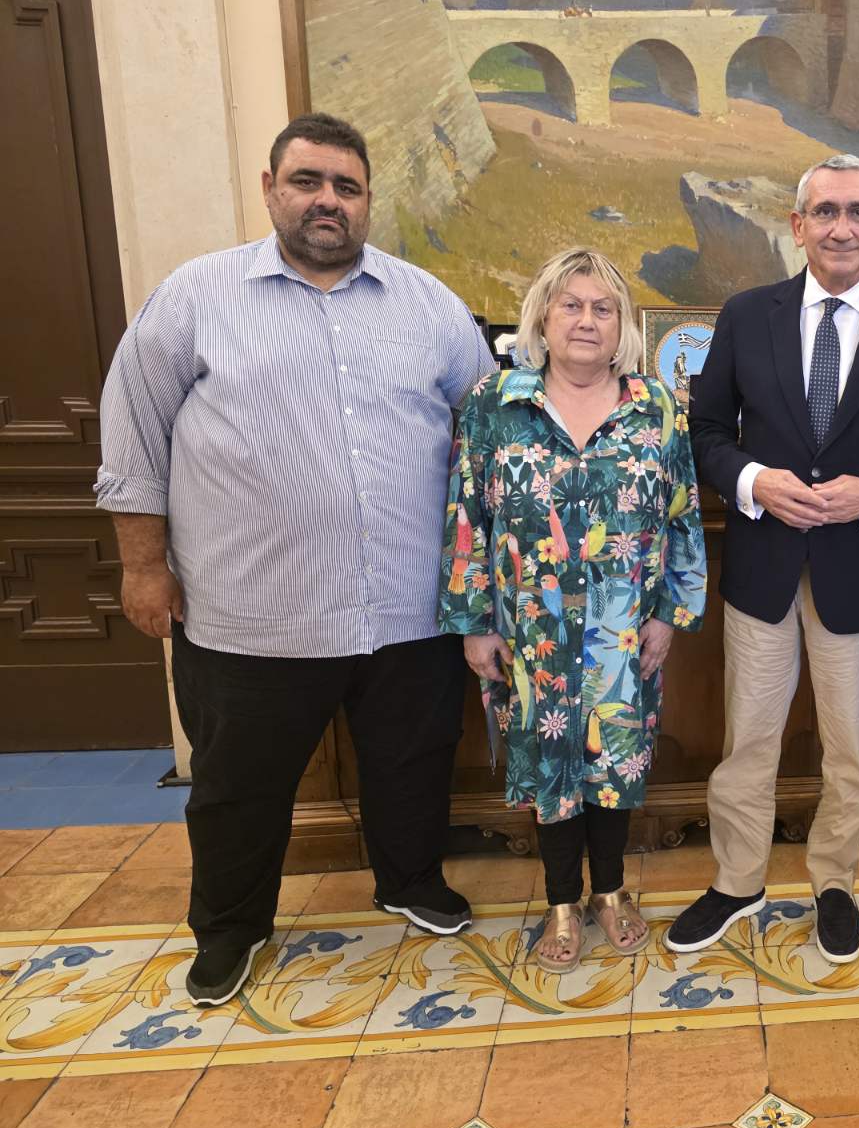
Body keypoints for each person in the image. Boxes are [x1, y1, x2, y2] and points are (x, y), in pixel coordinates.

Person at [95, 113, 496, 1007]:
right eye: (308, 181)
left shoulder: (427, 304)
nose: (327, 201)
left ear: (367, 200)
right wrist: (142, 567)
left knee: (414, 761)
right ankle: (230, 929)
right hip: (251, 616)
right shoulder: (196, 297)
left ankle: (410, 881)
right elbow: (132, 437)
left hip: (407, 608)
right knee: (237, 788)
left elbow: (485, 431)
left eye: (346, 187)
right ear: (271, 188)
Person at [666, 154, 859, 961]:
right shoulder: (745, 316)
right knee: (747, 743)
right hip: (762, 568)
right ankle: (737, 880)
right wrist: (753, 481)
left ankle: (835, 882)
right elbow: (706, 433)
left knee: (851, 753)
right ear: (798, 226)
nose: (842, 227)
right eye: (825, 211)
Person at [438, 248, 707, 972]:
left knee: (615, 760)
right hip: (531, 632)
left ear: (622, 325)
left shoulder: (656, 407)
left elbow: (682, 518)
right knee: (547, 762)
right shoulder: (496, 404)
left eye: (603, 308)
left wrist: (669, 615)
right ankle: (561, 901)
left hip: (624, 631)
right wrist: (474, 624)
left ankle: (611, 891)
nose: (587, 320)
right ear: (544, 318)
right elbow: (466, 517)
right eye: (572, 305)